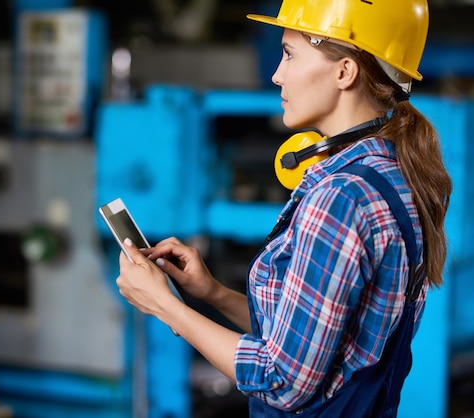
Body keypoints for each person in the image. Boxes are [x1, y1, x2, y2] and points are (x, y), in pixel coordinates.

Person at [115, 0, 452, 416]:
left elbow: (282, 379)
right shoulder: (393, 175)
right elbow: (312, 341)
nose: (276, 74)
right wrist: (214, 294)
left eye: (290, 54)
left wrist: (163, 305)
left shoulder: (341, 198)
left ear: (344, 71)